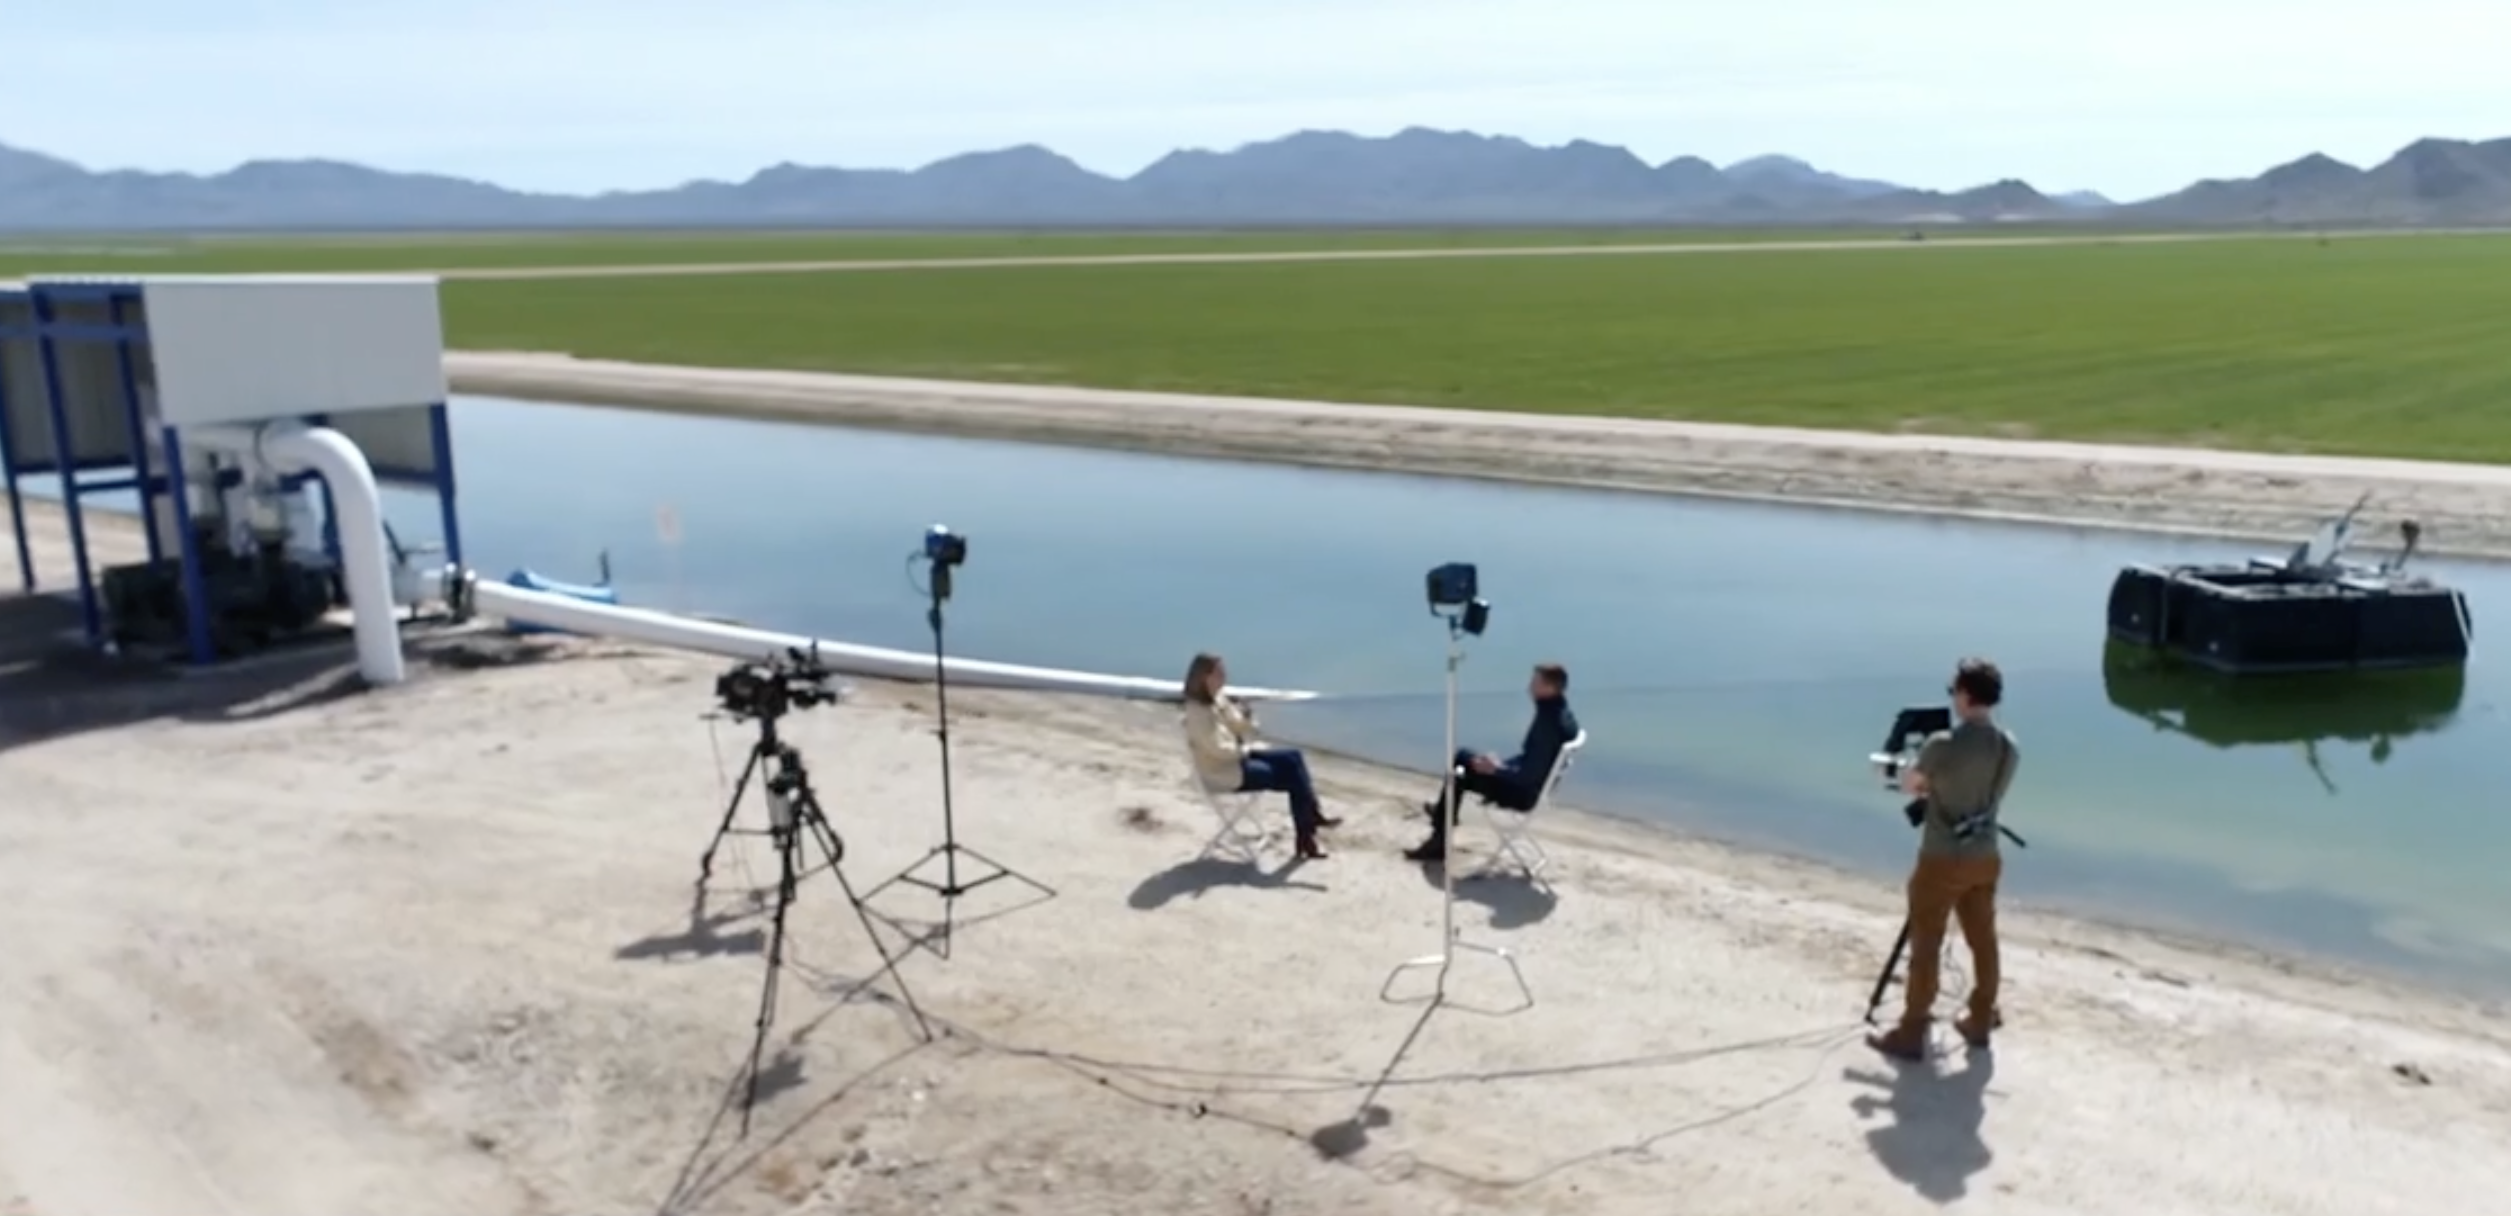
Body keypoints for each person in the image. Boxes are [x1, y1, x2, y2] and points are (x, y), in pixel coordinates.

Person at [1870, 657, 2022, 1061]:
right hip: (1986, 856)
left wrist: (1911, 774)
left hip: (1941, 858)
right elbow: (1989, 796)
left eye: (1954, 691)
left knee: (1926, 941)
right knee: (1983, 939)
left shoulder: (1942, 744)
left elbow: (1910, 785)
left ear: (1966, 695)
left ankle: (1912, 1029)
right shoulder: (2009, 748)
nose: (1952, 698)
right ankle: (1981, 1016)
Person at [1404, 662, 1579, 862]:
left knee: (1459, 771)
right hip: (1532, 787)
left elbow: (1528, 774)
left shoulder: (1548, 723)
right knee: (1463, 757)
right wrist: (1500, 764)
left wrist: (1496, 770)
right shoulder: (1562, 714)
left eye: (1534, 682)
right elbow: (1532, 761)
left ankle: (1440, 836)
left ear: (1549, 688)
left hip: (1522, 794)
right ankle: (1443, 814)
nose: (1529, 687)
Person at [1181, 652, 1339, 859]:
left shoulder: (1218, 699)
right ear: (1204, 677)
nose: (1224, 676)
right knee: (1291, 776)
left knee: (1293, 757)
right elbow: (1218, 750)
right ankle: (1307, 832)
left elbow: (1239, 725)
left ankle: (1309, 825)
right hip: (1223, 772)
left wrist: (1246, 717)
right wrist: (1245, 748)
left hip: (1237, 758)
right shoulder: (1197, 713)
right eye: (1219, 673)